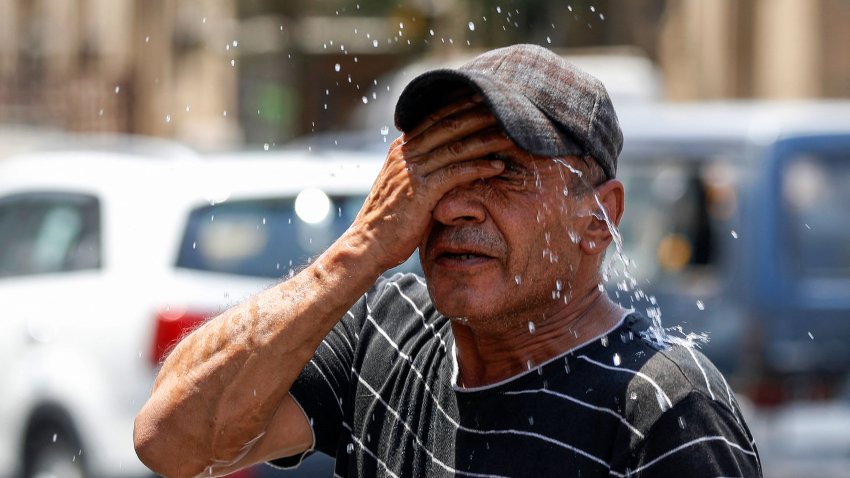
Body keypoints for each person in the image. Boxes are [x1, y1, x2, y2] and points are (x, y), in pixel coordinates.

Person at [134, 44, 762, 477]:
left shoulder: (663, 407)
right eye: (434, 169)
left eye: (501, 172)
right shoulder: (386, 331)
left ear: (599, 218)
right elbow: (170, 442)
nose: (455, 206)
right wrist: (359, 250)